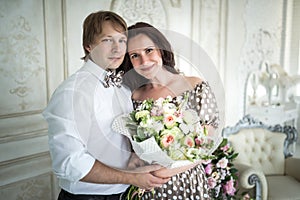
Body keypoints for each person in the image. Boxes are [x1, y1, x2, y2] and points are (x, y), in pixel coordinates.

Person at [43, 11, 169, 200]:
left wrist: (133, 159)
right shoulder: (73, 92)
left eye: (121, 40)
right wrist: (131, 177)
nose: (117, 49)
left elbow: (118, 141)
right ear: (88, 46)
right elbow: (69, 163)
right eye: (107, 40)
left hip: (123, 193)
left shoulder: (124, 87)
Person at [119, 22, 220, 199]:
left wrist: (164, 173)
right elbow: (134, 147)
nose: (144, 61)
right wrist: (135, 165)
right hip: (147, 187)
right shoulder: (134, 97)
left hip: (187, 183)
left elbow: (207, 144)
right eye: (135, 55)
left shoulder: (194, 86)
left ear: (161, 49)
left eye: (149, 50)